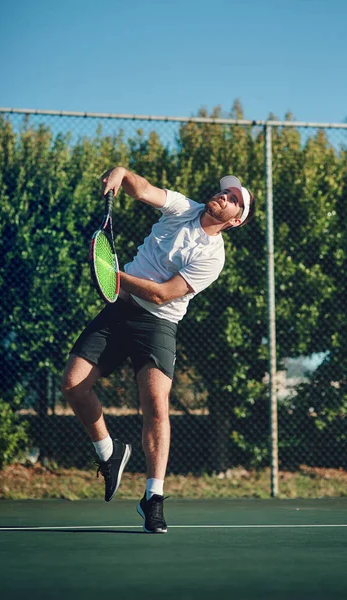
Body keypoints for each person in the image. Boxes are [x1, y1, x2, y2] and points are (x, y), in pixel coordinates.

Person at [61, 166, 255, 534]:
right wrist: (121, 173)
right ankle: (109, 452)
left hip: (159, 324)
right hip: (119, 311)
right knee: (73, 385)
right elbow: (143, 188)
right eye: (225, 193)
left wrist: (111, 274)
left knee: (156, 404)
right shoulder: (183, 207)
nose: (224, 198)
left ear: (235, 220)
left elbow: (161, 293)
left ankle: (153, 498)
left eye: (233, 201)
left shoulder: (213, 257)